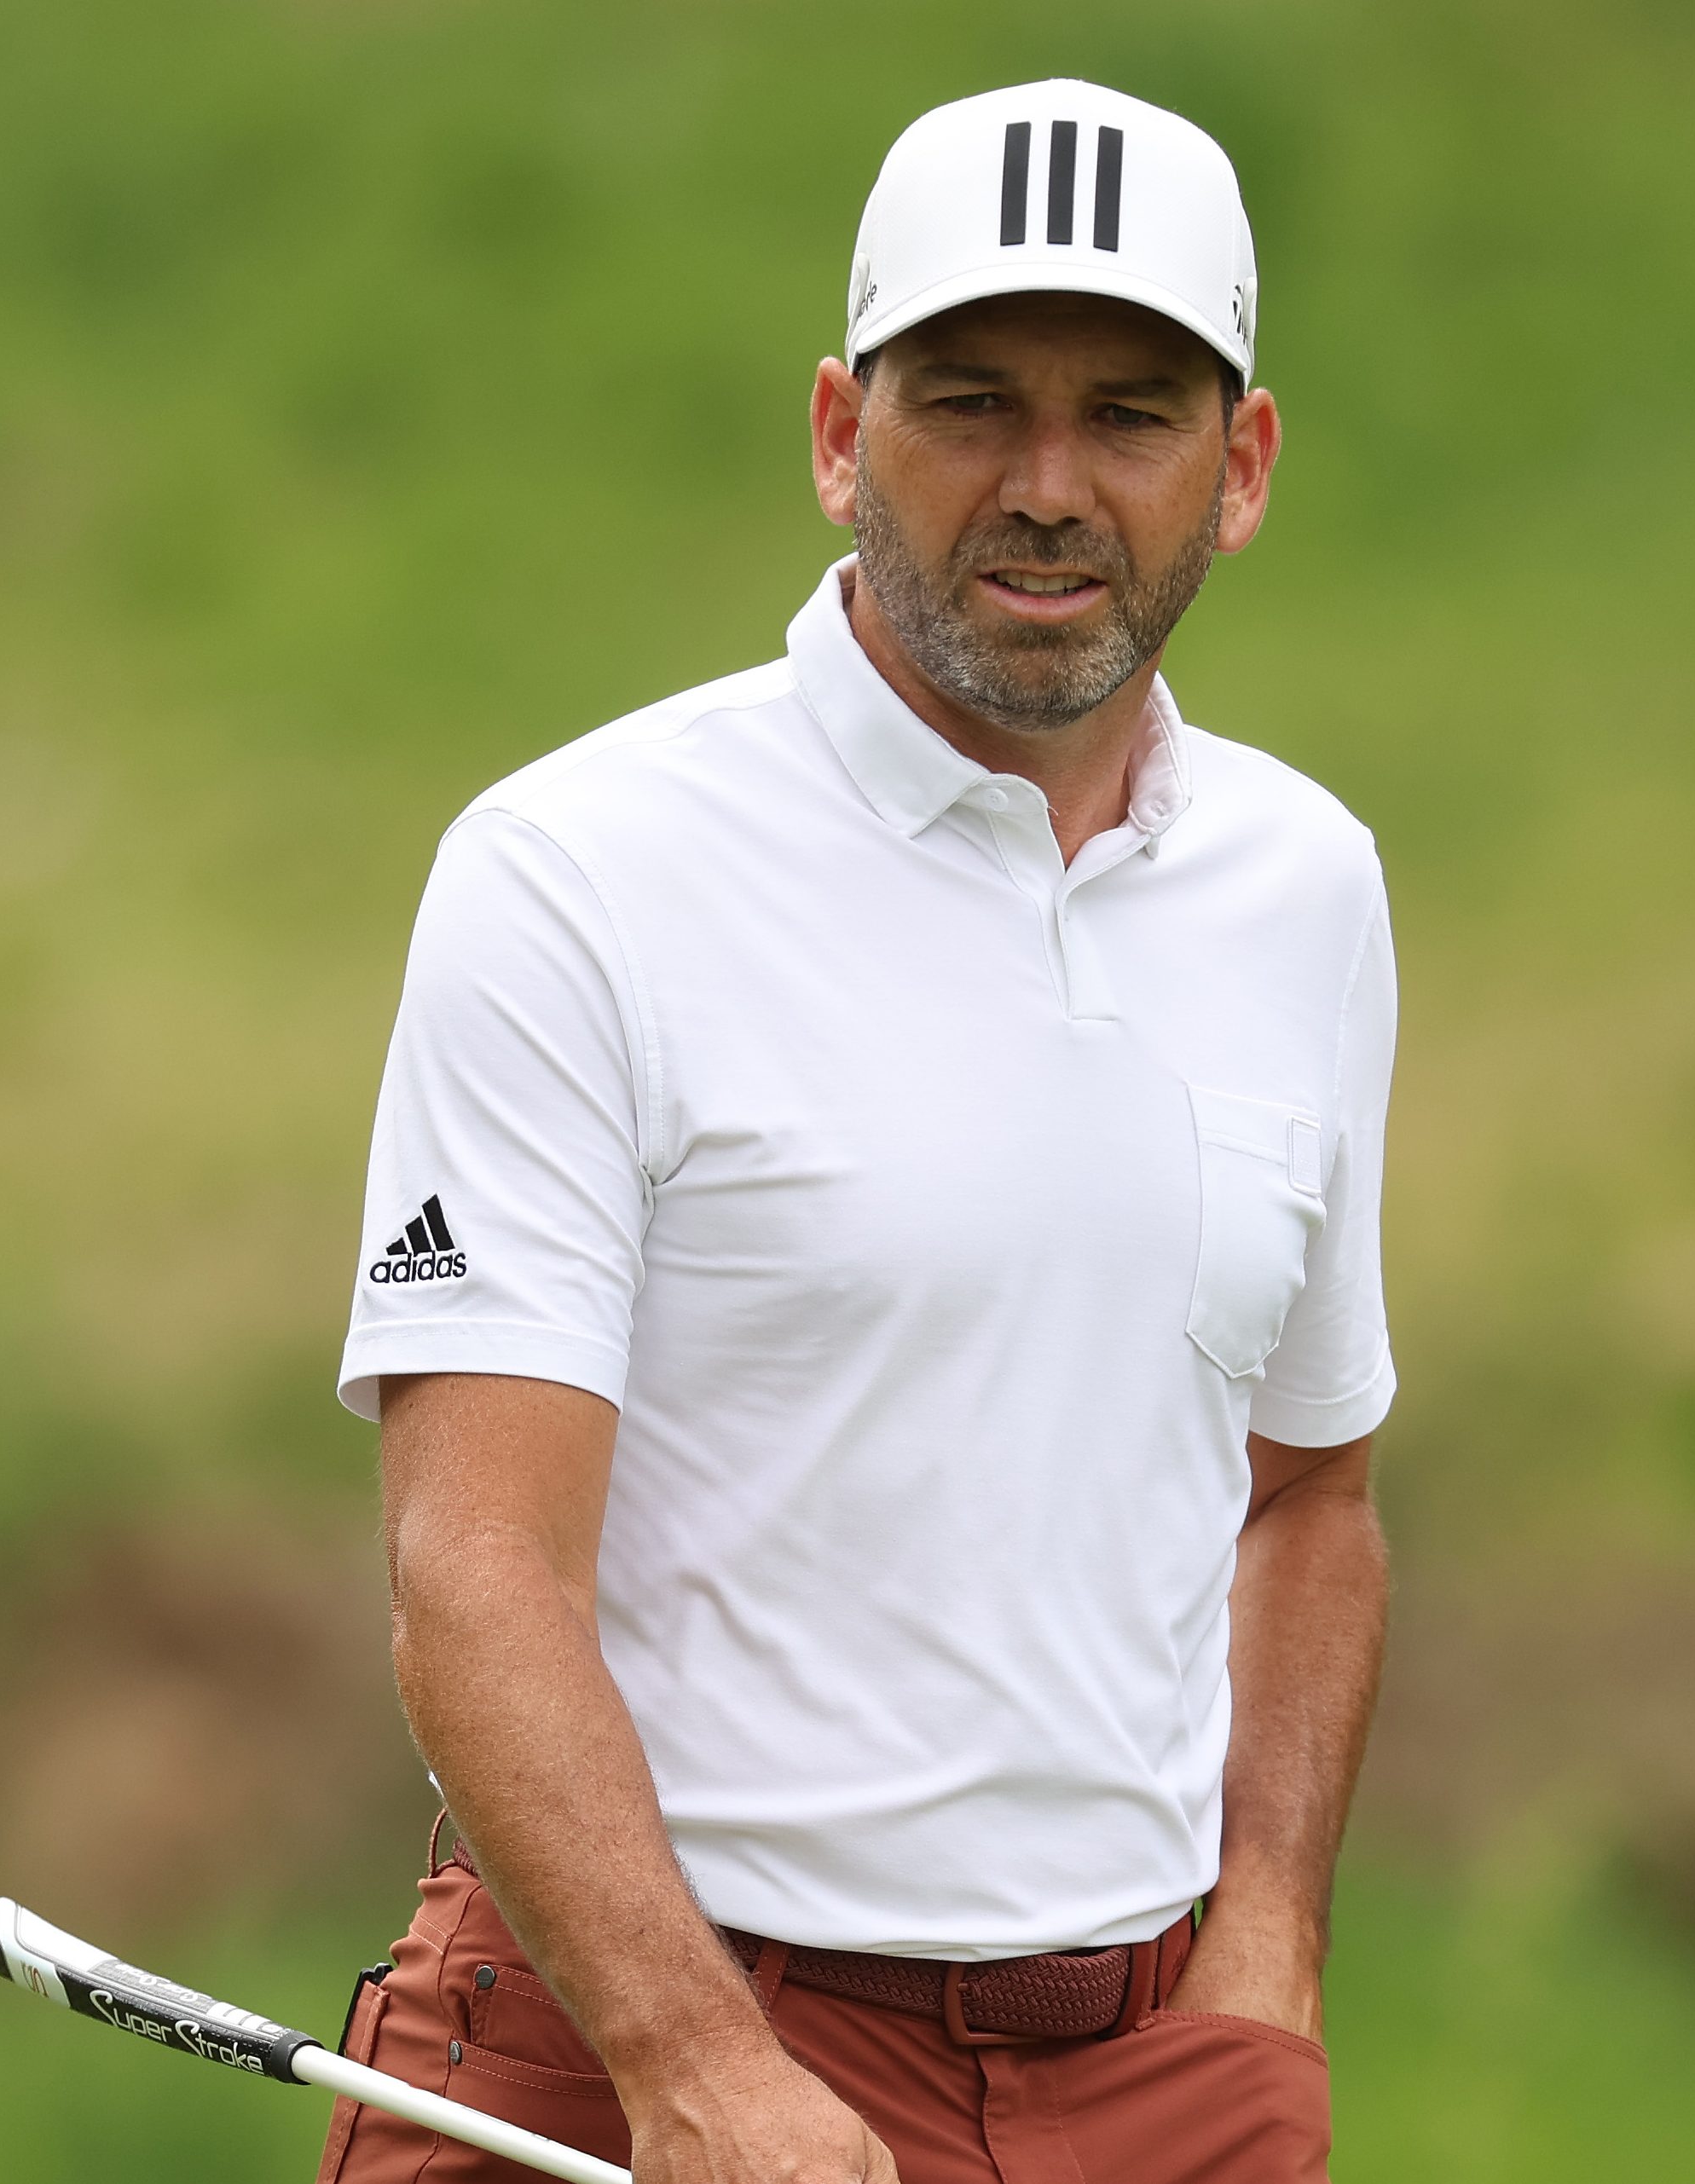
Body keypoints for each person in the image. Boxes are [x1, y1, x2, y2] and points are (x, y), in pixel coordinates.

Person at [320, 78, 1396, 2184]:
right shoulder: (577, 868)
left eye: (1132, 416)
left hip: (1149, 2072)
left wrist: (1263, 1962)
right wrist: (690, 2061)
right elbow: (473, 1561)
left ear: (1241, 466)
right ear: (838, 435)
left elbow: (1310, 1497)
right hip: (634, 2044)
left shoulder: (1306, 884)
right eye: (970, 401)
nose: (1047, 485)